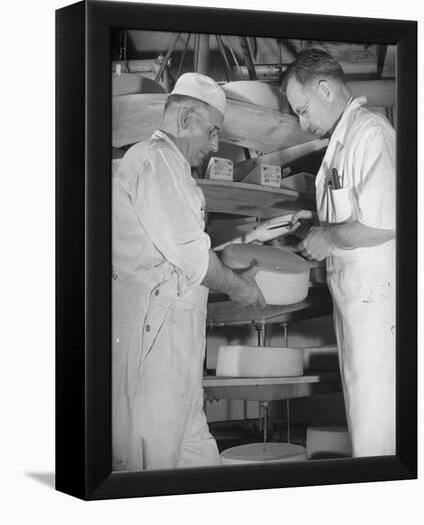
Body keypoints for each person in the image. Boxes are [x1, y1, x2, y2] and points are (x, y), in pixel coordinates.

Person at [112, 72, 266, 471]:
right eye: (212, 131)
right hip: (155, 341)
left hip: (175, 348)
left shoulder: (171, 168)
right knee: (155, 473)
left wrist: (232, 265)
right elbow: (194, 259)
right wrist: (239, 290)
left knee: (199, 466)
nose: (215, 145)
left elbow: (184, 256)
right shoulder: (156, 160)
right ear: (184, 119)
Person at [280, 49, 396, 457]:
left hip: (378, 311)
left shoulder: (371, 133)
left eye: (302, 109)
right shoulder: (342, 144)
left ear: (325, 89)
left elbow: (385, 221)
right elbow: (350, 217)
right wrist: (316, 227)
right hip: (355, 307)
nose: (301, 121)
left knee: (379, 435)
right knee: (365, 426)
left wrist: (327, 239)